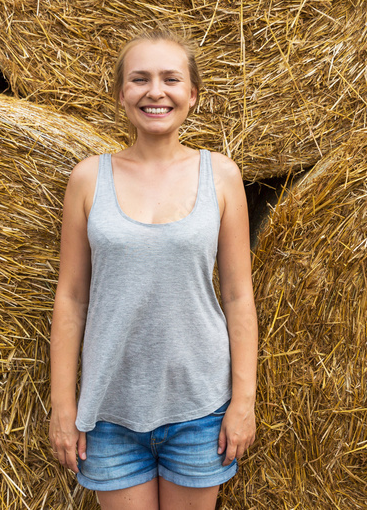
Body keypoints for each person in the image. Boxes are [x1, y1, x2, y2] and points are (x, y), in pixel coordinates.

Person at [49, 29, 257, 510]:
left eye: (171, 79)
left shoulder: (220, 176)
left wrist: (243, 402)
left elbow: (238, 296)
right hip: (109, 411)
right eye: (139, 79)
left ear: (192, 94)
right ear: (122, 94)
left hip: (201, 407)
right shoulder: (87, 178)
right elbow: (72, 297)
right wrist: (64, 406)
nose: (155, 91)